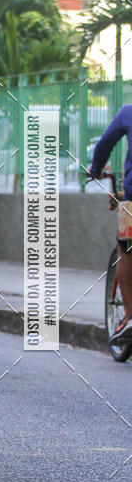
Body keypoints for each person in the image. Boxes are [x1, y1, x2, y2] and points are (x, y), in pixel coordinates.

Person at [89, 104, 132, 342]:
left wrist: (95, 169)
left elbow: (105, 144)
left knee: (126, 247)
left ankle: (129, 315)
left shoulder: (128, 112)